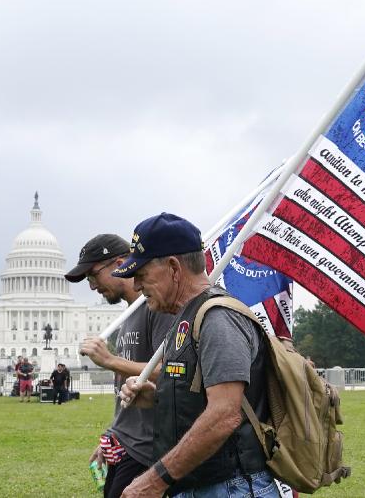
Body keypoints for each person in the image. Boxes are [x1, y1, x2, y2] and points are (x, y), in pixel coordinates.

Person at [116, 213, 279, 498]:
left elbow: (224, 414)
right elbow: (201, 398)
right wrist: (156, 397)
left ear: (173, 268)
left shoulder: (217, 318)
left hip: (230, 489)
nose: (138, 287)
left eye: (141, 275)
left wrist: (154, 481)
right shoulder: (185, 319)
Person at [66, 234, 175, 498]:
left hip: (146, 448)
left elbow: (171, 372)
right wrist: (111, 434)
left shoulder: (156, 308)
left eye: (93, 275)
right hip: (124, 441)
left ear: (120, 263)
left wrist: (110, 360)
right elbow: (125, 387)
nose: (92, 287)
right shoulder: (127, 315)